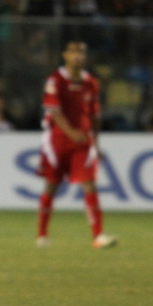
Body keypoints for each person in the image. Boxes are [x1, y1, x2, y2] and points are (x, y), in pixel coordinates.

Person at [36, 40, 117, 249]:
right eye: (73, 52)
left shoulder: (91, 83)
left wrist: (96, 144)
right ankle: (42, 234)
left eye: (81, 52)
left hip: (83, 142)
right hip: (58, 141)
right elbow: (54, 112)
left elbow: (95, 116)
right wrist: (72, 133)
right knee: (51, 186)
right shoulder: (55, 80)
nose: (77, 56)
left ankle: (98, 236)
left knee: (89, 184)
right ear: (65, 55)